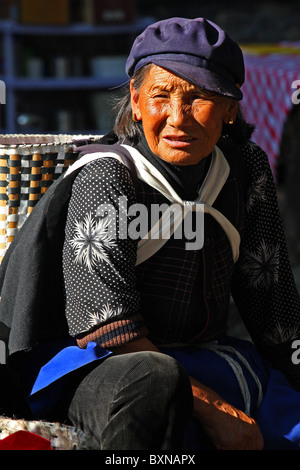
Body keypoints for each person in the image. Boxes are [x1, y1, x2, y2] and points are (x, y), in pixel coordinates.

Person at [1, 16, 300, 451]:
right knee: (157, 385)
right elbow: (106, 326)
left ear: (231, 109)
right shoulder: (108, 175)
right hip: (99, 364)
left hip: (200, 357)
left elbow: (270, 299)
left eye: (199, 98)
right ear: (137, 103)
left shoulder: (244, 170)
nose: (177, 119)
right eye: (161, 96)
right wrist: (212, 406)